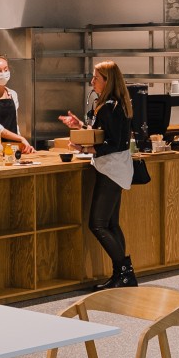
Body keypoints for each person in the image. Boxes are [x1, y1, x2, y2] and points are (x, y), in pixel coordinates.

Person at [61, 61, 138, 288]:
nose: (92, 81)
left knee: (98, 224)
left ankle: (125, 272)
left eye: (96, 78)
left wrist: (85, 148)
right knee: (112, 224)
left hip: (111, 169)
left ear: (107, 81)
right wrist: (79, 125)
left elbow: (113, 143)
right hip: (116, 167)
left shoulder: (110, 107)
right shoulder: (112, 105)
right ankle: (121, 275)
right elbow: (102, 134)